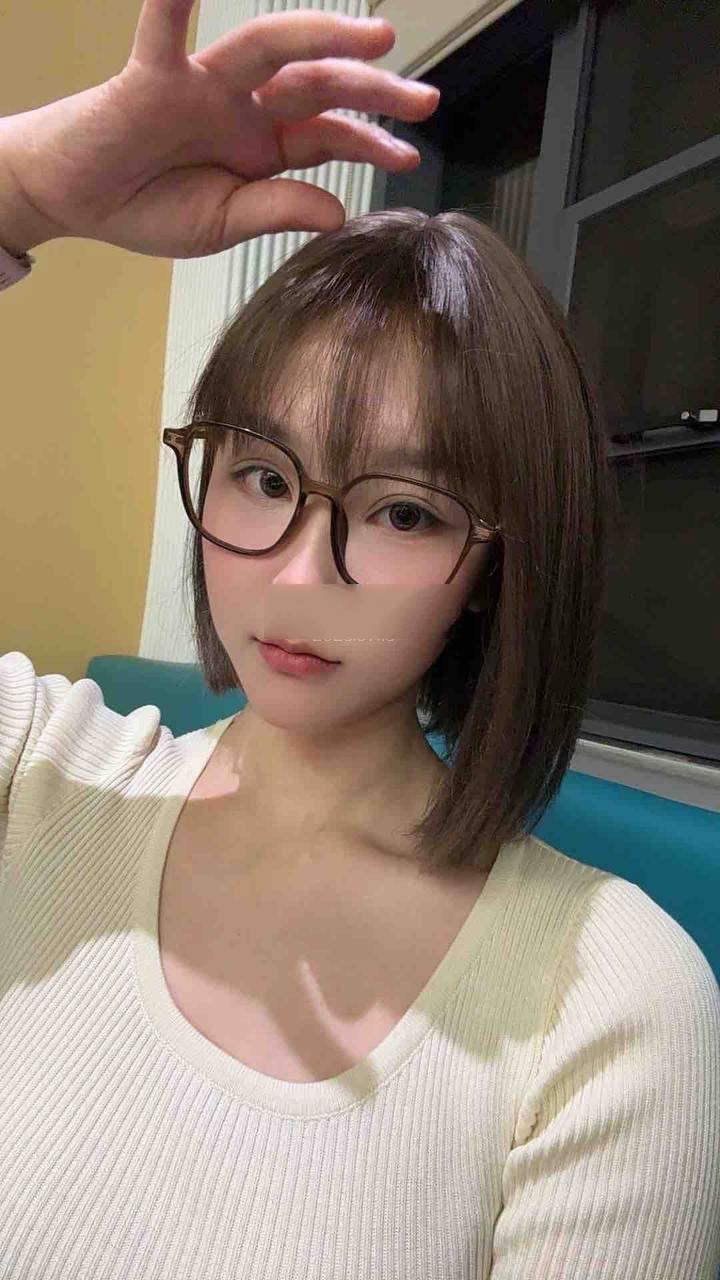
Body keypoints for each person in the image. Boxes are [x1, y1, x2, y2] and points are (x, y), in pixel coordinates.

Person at [0, 2, 718, 1277]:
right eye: (263, 476)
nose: (296, 572)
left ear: (495, 565)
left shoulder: (611, 1003)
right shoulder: (36, 771)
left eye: (402, 510)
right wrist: (20, 192)